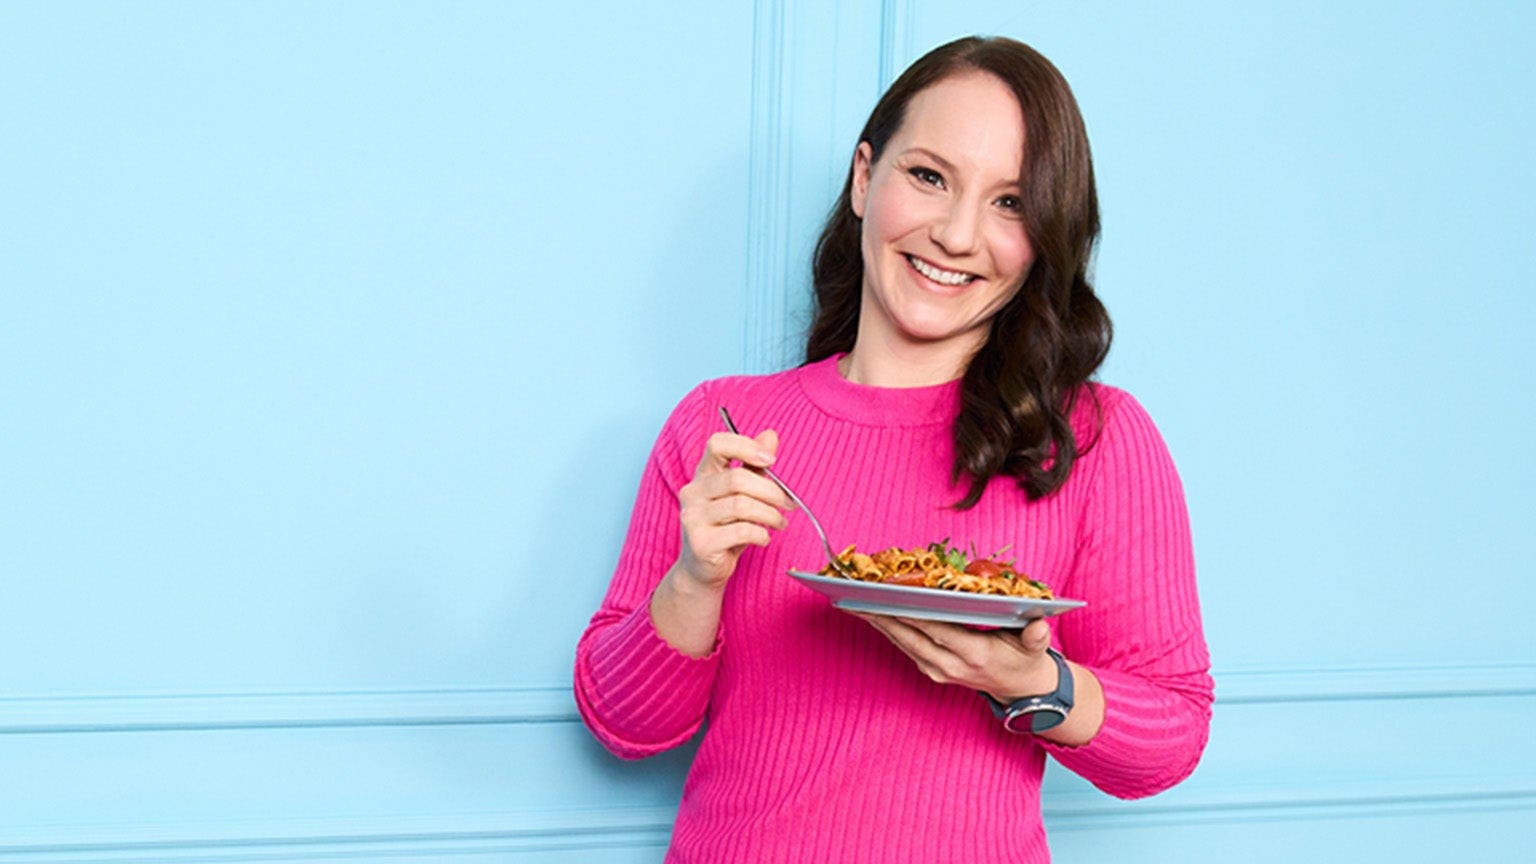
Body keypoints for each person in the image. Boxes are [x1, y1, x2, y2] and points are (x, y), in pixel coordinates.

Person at [574, 35, 1213, 863]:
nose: (955, 234)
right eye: (928, 176)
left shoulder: (1094, 438)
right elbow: (625, 726)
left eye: (1010, 203)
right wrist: (696, 579)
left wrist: (1033, 683)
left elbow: (1171, 736)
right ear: (864, 177)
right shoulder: (723, 425)